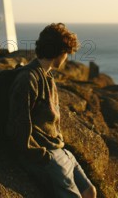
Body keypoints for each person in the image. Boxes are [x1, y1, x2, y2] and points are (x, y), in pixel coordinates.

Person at [7, 23, 97, 198]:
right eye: (66, 53)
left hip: (60, 150)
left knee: (90, 192)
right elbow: (18, 125)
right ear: (58, 51)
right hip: (46, 155)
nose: (66, 58)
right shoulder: (28, 79)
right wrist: (41, 156)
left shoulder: (47, 76)